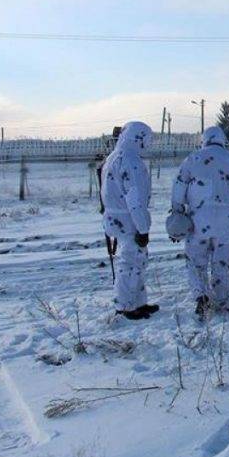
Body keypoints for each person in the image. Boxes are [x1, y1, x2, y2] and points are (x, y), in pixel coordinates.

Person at [170, 127, 229, 318]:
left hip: (197, 220)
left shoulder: (193, 159)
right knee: (222, 262)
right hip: (225, 220)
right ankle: (223, 301)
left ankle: (201, 297)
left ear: (204, 140)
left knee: (195, 261)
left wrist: (177, 213)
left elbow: (178, 186)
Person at [100, 122, 157, 320]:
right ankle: (126, 306)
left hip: (117, 218)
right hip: (129, 220)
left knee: (137, 262)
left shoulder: (114, 157)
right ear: (139, 139)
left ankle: (138, 302)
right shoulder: (131, 161)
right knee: (130, 263)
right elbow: (135, 199)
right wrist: (142, 228)